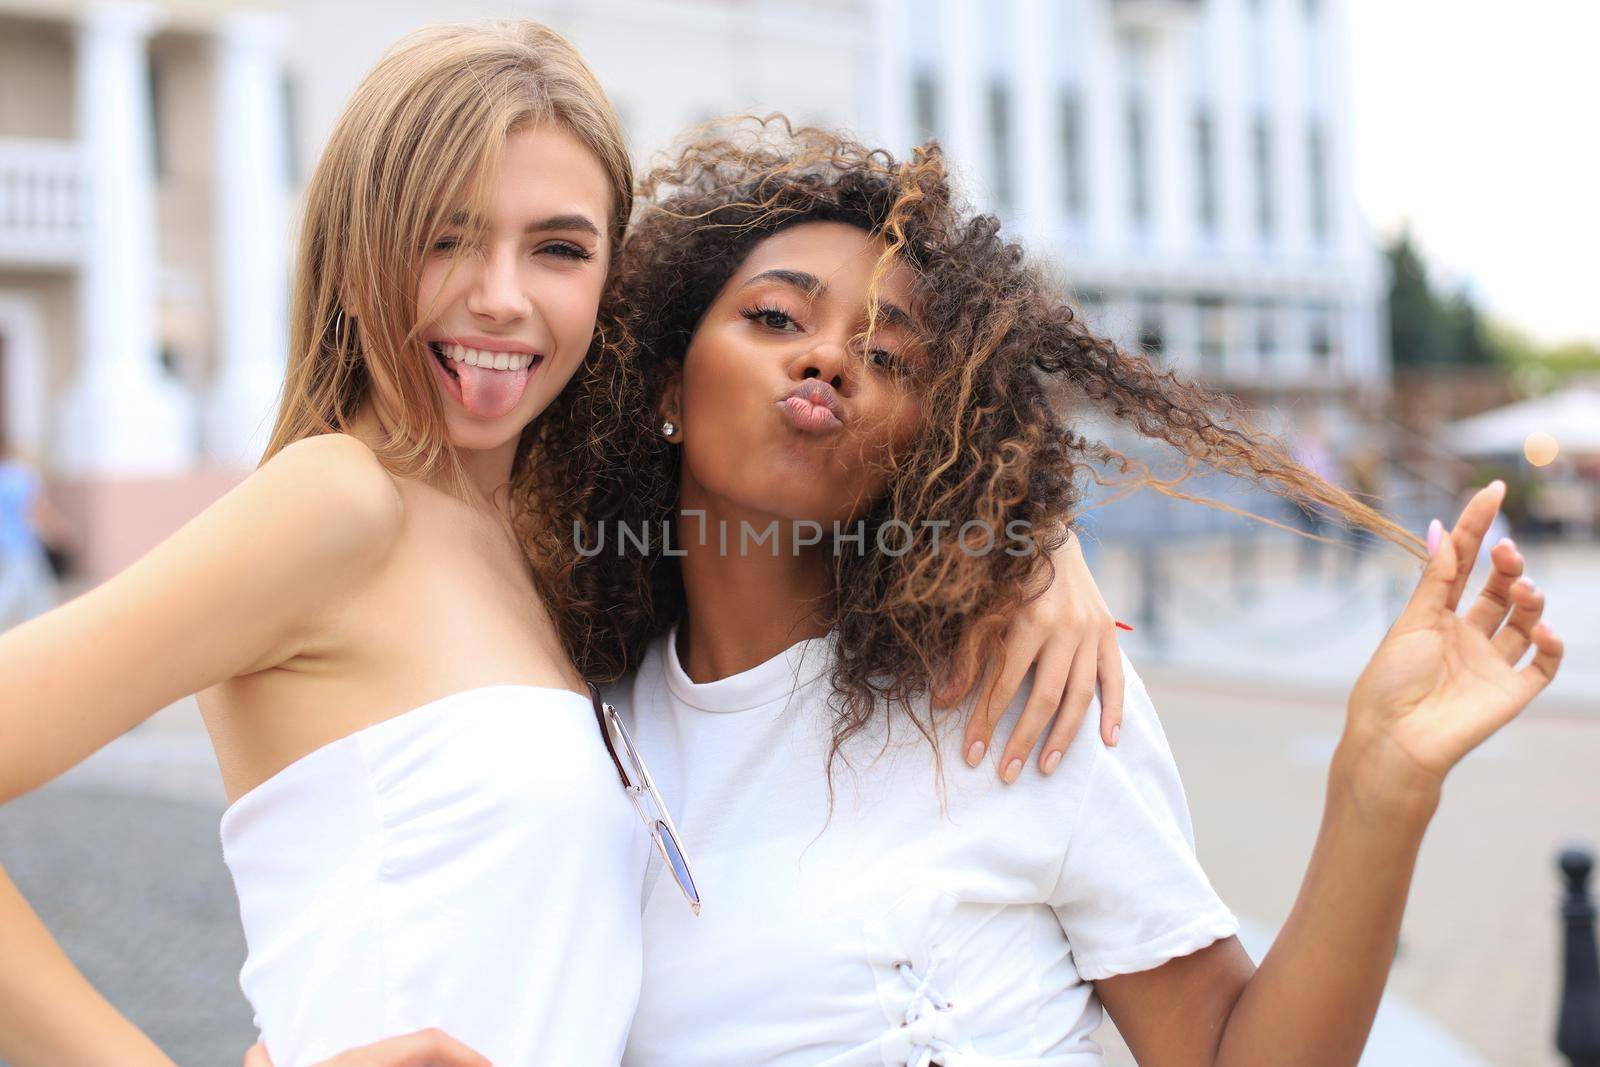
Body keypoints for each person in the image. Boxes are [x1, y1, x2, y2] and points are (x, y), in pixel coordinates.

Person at [0, 25, 1117, 1067]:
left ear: (608, 285)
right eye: (444, 236)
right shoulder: (337, 502)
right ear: (353, 248)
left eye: (558, 249)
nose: (500, 298)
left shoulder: (544, 541)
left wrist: (1031, 540)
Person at [563, 124, 1560, 1065]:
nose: (826, 357)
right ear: (661, 387)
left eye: (887, 356)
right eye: (775, 316)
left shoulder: (1018, 693)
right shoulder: (580, 726)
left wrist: (1376, 785)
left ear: (927, 440)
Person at [0, 445, 69, 629]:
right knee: (21, 593)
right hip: (23, 546)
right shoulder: (21, 477)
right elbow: (37, 509)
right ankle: (47, 632)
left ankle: (45, 632)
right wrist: (58, 531)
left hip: (7, 547)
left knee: (35, 594)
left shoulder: (5, 478)